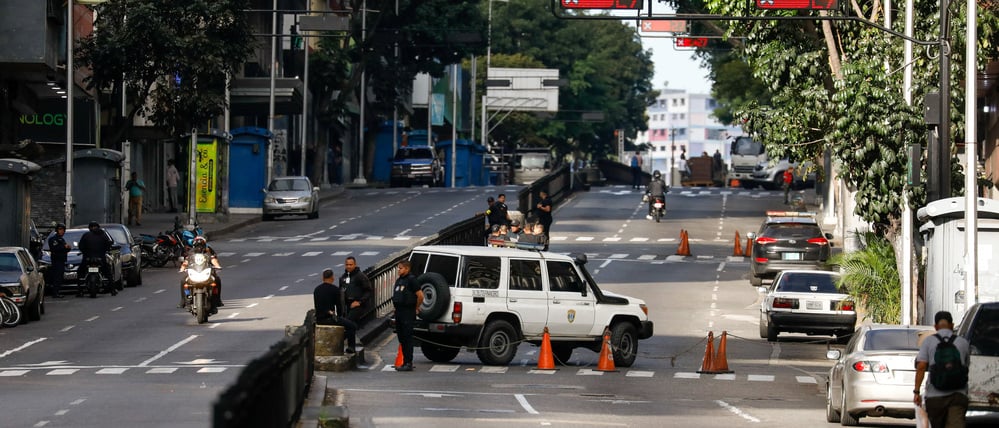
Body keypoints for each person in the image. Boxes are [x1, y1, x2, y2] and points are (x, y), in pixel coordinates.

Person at [914, 311, 971, 428]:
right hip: (958, 395)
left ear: (935, 326)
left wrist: (917, 392)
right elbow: (966, 366)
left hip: (935, 397)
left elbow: (921, 366)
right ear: (952, 325)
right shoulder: (963, 343)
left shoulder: (928, 342)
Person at [315, 268, 358, 354]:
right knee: (352, 326)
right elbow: (339, 306)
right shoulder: (334, 289)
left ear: (323, 278)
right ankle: (350, 347)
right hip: (329, 318)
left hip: (319, 318)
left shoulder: (317, 289)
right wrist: (340, 316)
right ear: (332, 278)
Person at [392, 260, 423, 371]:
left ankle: (408, 362)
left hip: (408, 312)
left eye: (400, 268)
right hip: (399, 312)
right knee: (401, 338)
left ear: (407, 269)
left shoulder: (412, 280)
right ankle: (405, 361)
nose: (398, 270)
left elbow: (420, 296)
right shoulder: (400, 280)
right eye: (398, 268)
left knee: (407, 338)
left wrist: (416, 307)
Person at [178, 236, 224, 311]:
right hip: (195, 271)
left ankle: (217, 300)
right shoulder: (191, 252)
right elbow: (186, 261)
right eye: (197, 245)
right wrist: (182, 268)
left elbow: (213, 259)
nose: (199, 247)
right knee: (184, 281)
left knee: (217, 280)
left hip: (206, 271)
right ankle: (184, 300)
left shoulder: (208, 251)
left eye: (201, 245)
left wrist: (217, 266)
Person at [77, 221, 113, 290]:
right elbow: (108, 245)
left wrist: (85, 252)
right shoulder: (103, 235)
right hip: (100, 259)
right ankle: (112, 289)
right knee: (108, 272)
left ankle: (79, 290)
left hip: (88, 259)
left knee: (80, 272)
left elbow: (81, 246)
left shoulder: (86, 235)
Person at [339, 257, 373, 326]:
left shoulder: (360, 276)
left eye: (351, 264)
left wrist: (360, 302)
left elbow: (368, 291)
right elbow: (341, 290)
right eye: (347, 264)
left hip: (358, 305)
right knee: (350, 325)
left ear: (355, 265)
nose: (348, 266)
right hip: (347, 305)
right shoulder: (343, 277)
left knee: (348, 322)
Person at [47, 223, 71, 298]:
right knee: (56, 277)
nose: (62, 231)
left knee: (60, 277)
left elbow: (66, 249)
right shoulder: (53, 239)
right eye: (60, 229)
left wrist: (67, 247)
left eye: (63, 230)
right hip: (56, 260)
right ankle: (55, 293)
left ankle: (57, 291)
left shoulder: (61, 239)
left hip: (62, 260)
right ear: (57, 230)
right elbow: (55, 249)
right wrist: (64, 246)